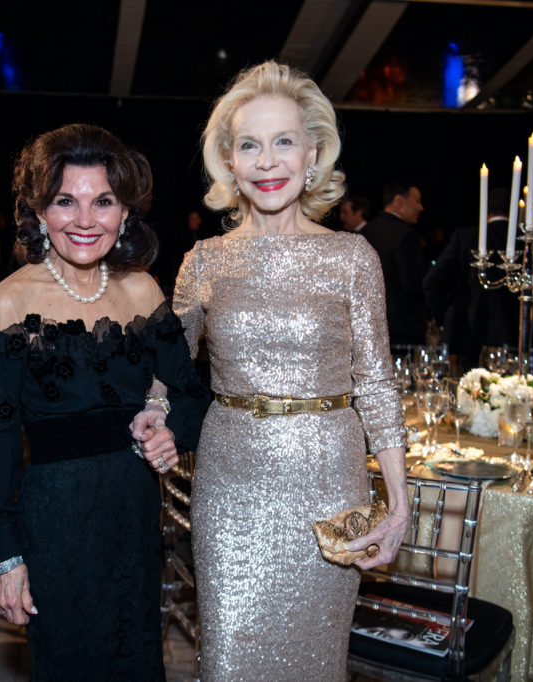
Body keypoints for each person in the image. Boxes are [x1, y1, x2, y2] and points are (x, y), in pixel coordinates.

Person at [172, 61, 409, 679]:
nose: (268, 161)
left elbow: (377, 384)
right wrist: (151, 413)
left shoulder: (352, 258)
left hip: (329, 479)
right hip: (231, 484)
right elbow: (164, 374)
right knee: (228, 659)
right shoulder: (202, 262)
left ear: (312, 155)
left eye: (284, 142)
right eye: (250, 144)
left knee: (316, 661)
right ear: (229, 160)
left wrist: (399, 502)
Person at [0, 124, 208, 680]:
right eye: (66, 201)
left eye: (104, 202)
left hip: (133, 513)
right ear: (40, 211)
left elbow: (189, 391)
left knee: (135, 655)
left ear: (124, 213)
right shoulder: (11, 300)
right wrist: (5, 556)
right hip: (54, 519)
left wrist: (167, 423)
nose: (86, 220)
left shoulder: (142, 289)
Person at [423, 188, 518, 371]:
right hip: (517, 334)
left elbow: (432, 282)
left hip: (469, 332)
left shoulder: (465, 237)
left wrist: (446, 318)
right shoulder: (527, 241)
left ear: (486, 209)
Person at [360, 183, 428, 346]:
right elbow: (412, 284)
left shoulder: (365, 232)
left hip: (368, 325)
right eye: (417, 201)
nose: (421, 207)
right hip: (402, 327)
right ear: (399, 201)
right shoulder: (406, 235)